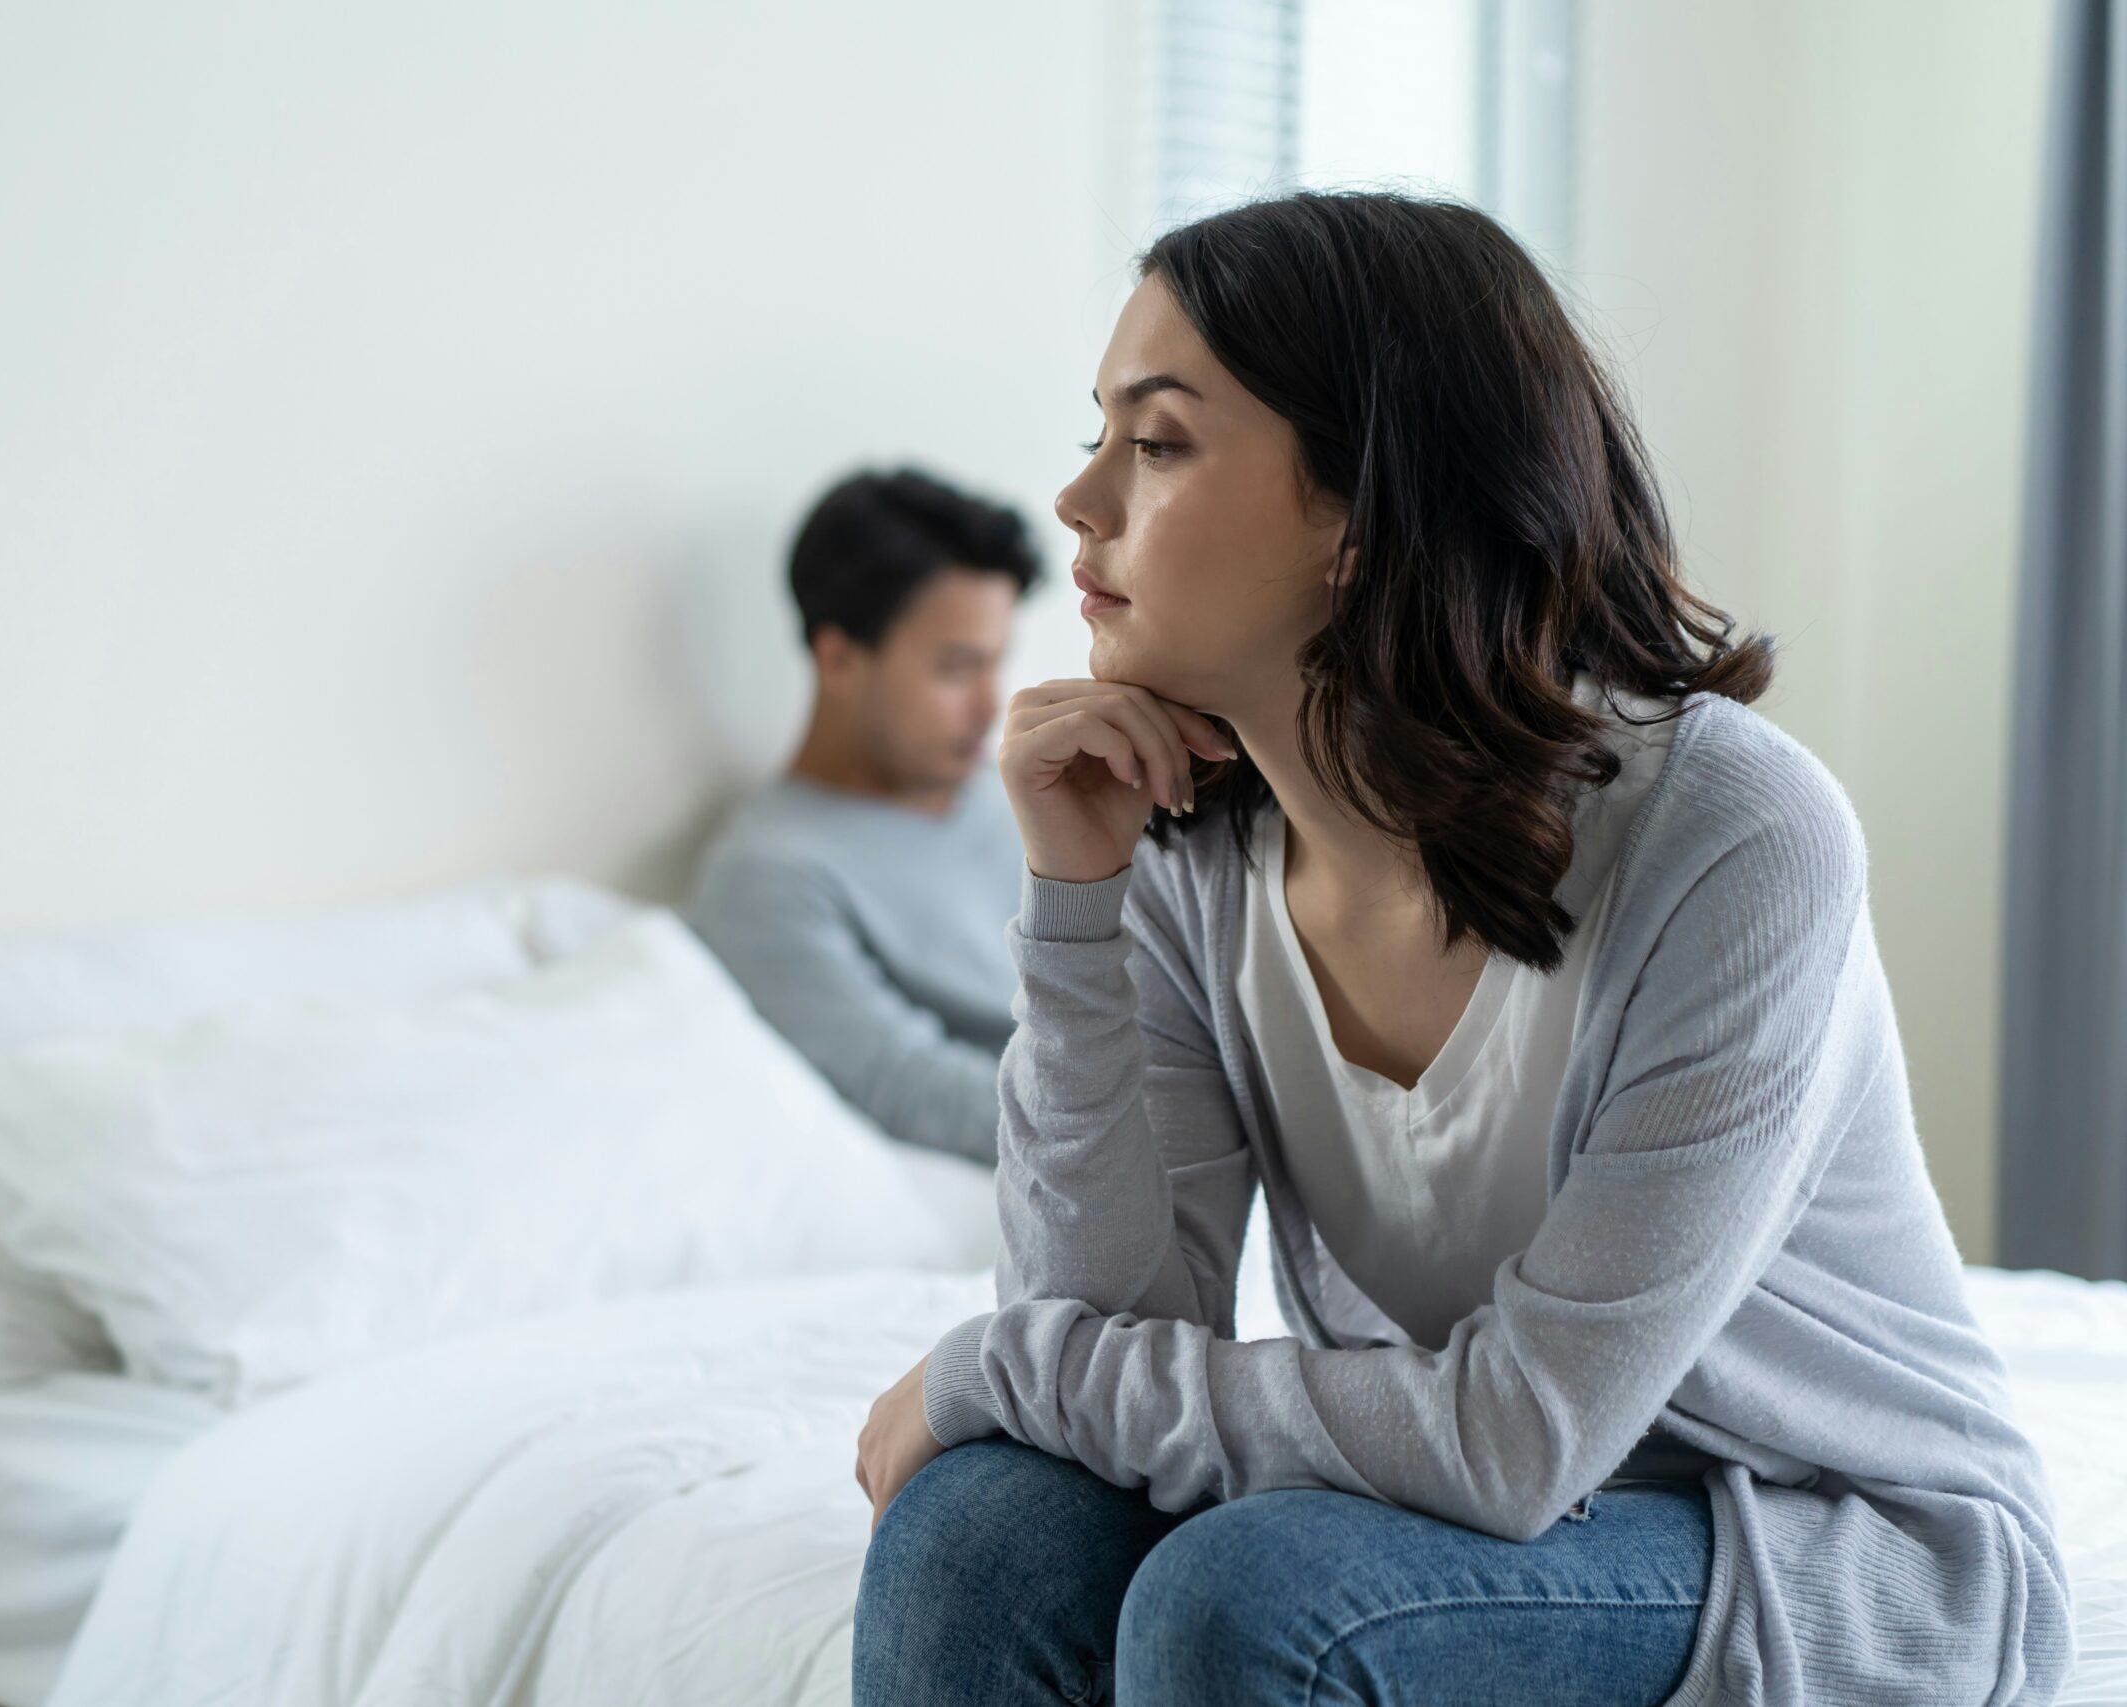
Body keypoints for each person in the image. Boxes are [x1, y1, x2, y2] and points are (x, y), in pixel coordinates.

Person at [849, 193, 2072, 1707]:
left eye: (1157, 442)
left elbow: (1515, 1437)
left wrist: (995, 1366)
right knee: (980, 1528)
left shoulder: (1735, 838)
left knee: (1253, 1602)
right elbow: (1106, 1330)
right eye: (1100, 431)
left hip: (1811, 1535)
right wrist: (1072, 901)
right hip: (1468, 1503)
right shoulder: (1187, 846)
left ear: (1366, 515)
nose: (1077, 498)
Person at [686, 468, 1042, 1164]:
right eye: (955, 668)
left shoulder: (1013, 793)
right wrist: (1146, 1125)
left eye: (998, 663)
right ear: (840, 658)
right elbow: (907, 1084)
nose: (990, 704)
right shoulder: (769, 876)